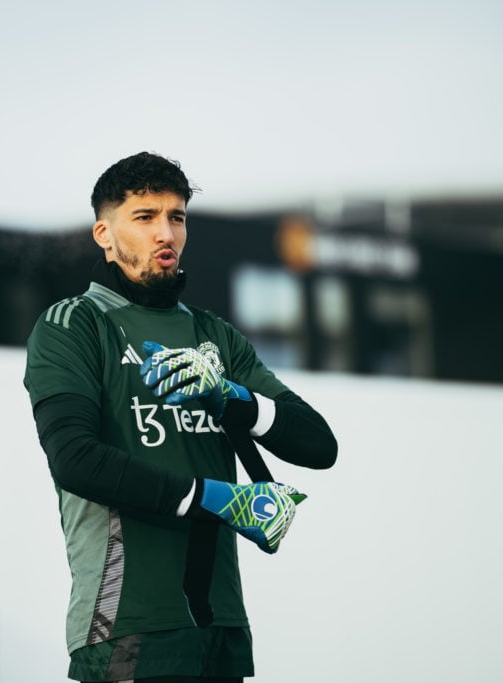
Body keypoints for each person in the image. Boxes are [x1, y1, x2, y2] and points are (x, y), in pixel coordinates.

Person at [24, 152, 337, 682]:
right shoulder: (72, 325)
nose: (164, 233)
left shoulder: (215, 335)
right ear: (104, 232)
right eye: (145, 217)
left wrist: (234, 399)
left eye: (177, 217)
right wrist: (213, 498)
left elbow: (319, 446)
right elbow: (74, 460)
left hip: (221, 626)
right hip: (127, 623)